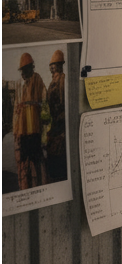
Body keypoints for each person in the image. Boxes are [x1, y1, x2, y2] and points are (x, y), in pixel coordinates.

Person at [13, 52, 46, 190]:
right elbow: (16, 106)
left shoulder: (37, 79)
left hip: (34, 127)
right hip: (22, 128)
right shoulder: (19, 84)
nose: (23, 74)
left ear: (30, 68)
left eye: (25, 70)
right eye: (22, 71)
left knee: (36, 158)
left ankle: (38, 184)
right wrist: (15, 129)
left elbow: (44, 99)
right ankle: (26, 186)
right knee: (24, 158)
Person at [45, 49, 67, 183]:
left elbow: (64, 101)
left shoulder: (63, 80)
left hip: (61, 122)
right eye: (51, 65)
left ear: (60, 65)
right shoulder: (52, 82)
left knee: (58, 150)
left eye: (55, 65)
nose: (52, 67)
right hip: (54, 122)